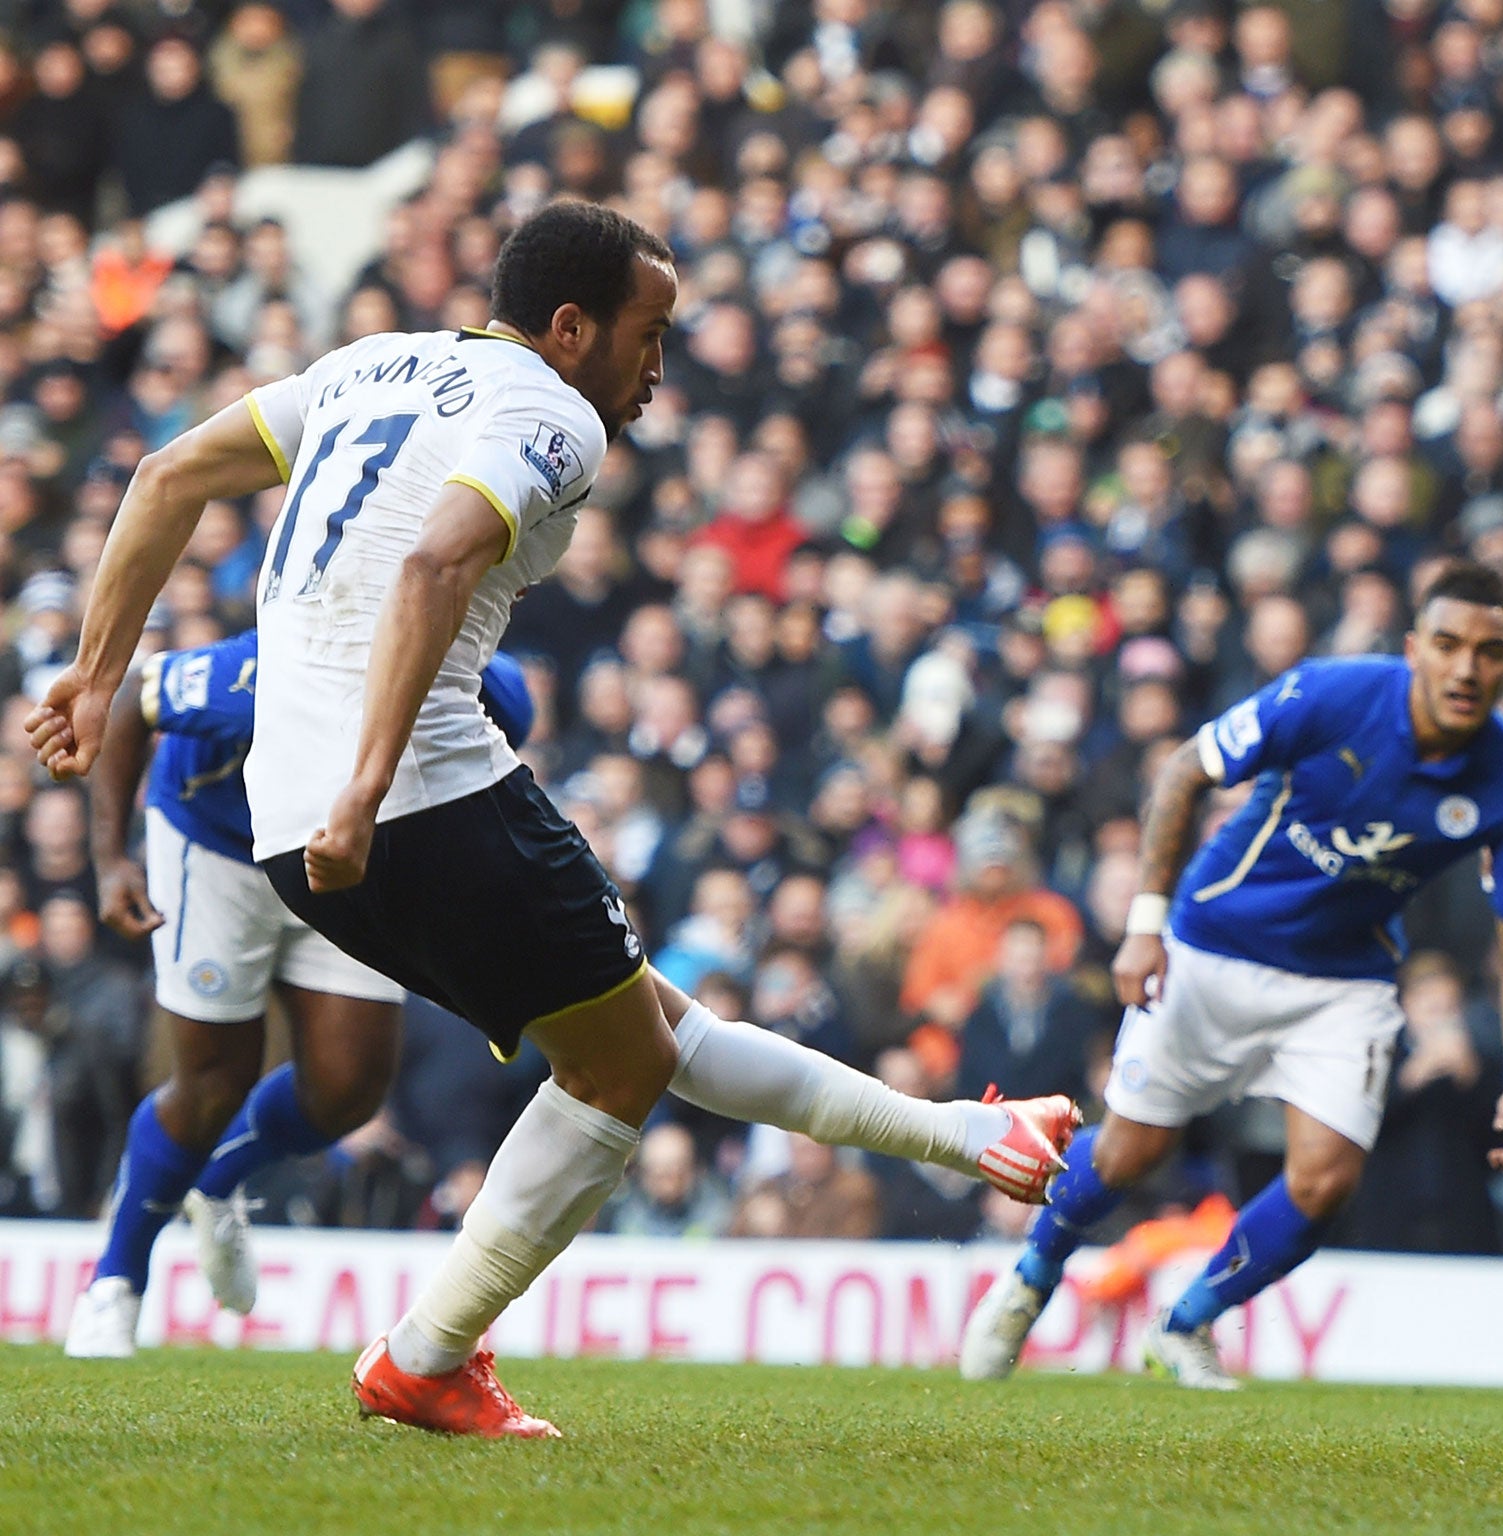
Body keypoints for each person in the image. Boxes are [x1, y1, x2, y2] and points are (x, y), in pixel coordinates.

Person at [30, 200, 1078, 1438]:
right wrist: (369, 788)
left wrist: (100, 675)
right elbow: (434, 564)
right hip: (410, 789)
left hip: (281, 819)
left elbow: (167, 473)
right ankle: (424, 1358)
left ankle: (971, 1134)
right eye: (650, 334)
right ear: (571, 328)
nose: (657, 366)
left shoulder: (371, 365)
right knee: (625, 1059)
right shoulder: (554, 412)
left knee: (644, 1033)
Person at [960, 561, 1503, 1389]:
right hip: (1212, 945)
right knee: (1132, 1152)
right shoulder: (1329, 695)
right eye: (1449, 645)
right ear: (1416, 647)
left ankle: (1189, 1321)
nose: (1466, 669)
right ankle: (1031, 1276)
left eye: (1491, 652)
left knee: (1326, 1179)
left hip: (1343, 982)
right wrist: (1145, 925)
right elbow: (1183, 773)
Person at [64, 629, 530, 1358]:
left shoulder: (487, 687)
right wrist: (109, 859)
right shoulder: (254, 675)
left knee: (350, 1089)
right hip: (215, 849)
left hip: (343, 859)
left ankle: (215, 1182)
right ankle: (115, 1280)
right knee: (214, 1081)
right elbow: (133, 699)